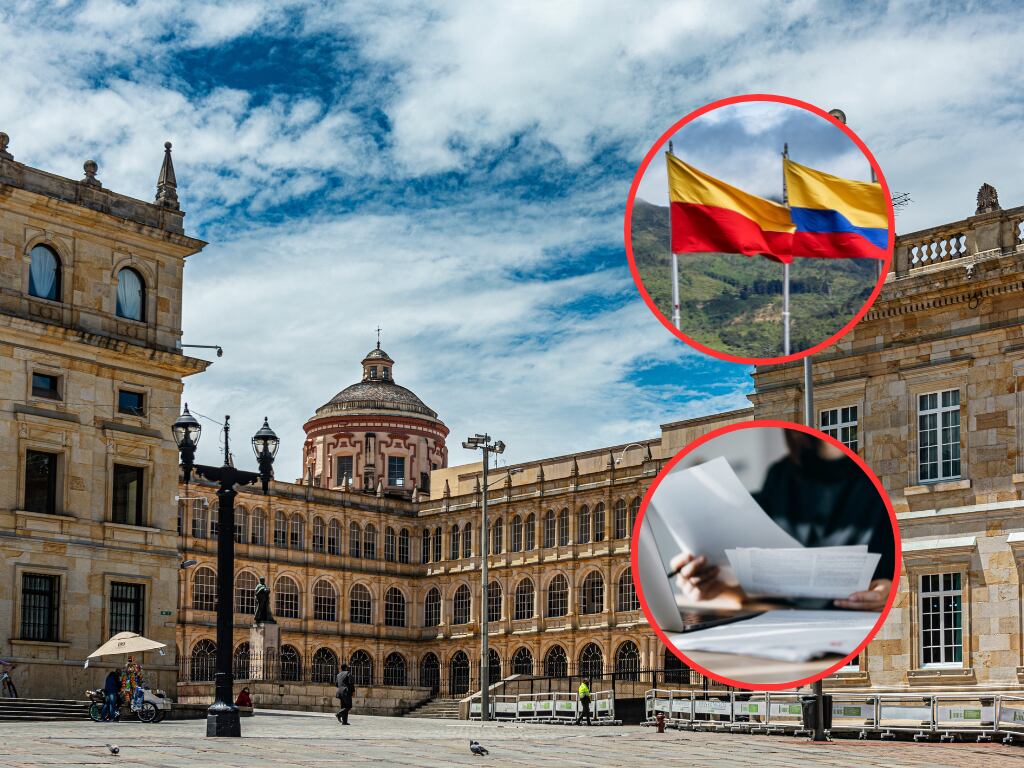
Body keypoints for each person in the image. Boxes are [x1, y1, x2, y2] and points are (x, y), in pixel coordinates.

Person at [672, 429, 896, 611]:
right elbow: (761, 588)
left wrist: (891, 591)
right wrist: (715, 586)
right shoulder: (780, 475)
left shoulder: (883, 480)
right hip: (776, 627)